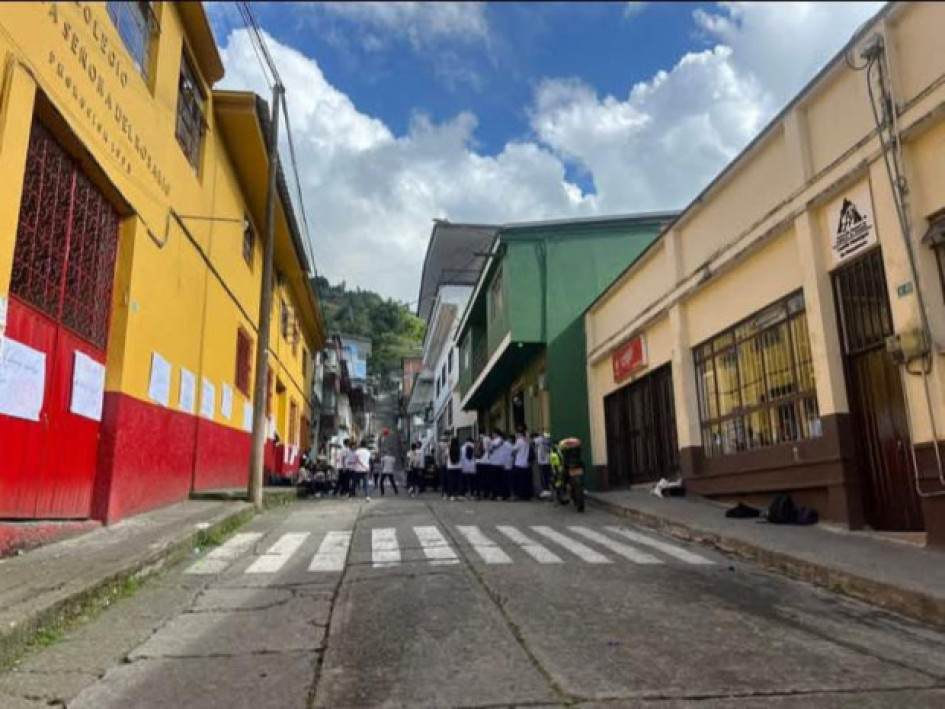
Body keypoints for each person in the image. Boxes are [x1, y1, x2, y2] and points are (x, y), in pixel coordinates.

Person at [512, 426, 534, 501]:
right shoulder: (527, 441)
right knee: (526, 481)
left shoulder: (519, 441)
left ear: (518, 433)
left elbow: (513, 451)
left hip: (519, 463)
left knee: (519, 481)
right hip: (526, 464)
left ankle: (520, 495)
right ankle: (527, 495)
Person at [535, 430, 553, 499]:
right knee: (547, 476)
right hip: (549, 461)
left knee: (544, 477)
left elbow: (531, 441)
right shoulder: (549, 440)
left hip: (543, 462)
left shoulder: (539, 439)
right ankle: (548, 490)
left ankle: (546, 490)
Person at [475, 432, 491, 501]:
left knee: (478, 479)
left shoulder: (478, 440)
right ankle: (486, 494)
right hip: (486, 462)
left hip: (478, 462)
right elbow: (491, 449)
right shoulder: (488, 439)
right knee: (486, 479)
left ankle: (478, 494)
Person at [446, 435, 462, 501]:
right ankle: (458, 494)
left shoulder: (448, 449)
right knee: (458, 482)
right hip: (458, 467)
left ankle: (451, 495)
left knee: (451, 481)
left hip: (450, 467)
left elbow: (446, 456)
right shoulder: (460, 449)